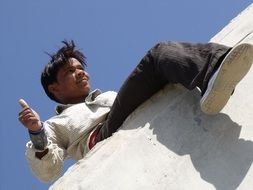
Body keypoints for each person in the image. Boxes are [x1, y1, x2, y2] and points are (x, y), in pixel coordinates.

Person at [18, 40, 253, 182]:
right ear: (54, 88)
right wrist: (37, 132)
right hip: (101, 137)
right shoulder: (54, 124)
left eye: (81, 68)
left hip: (126, 115)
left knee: (162, 58)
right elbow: (48, 172)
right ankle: (212, 71)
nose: (81, 73)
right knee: (157, 54)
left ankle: (216, 74)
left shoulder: (108, 96)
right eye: (70, 72)